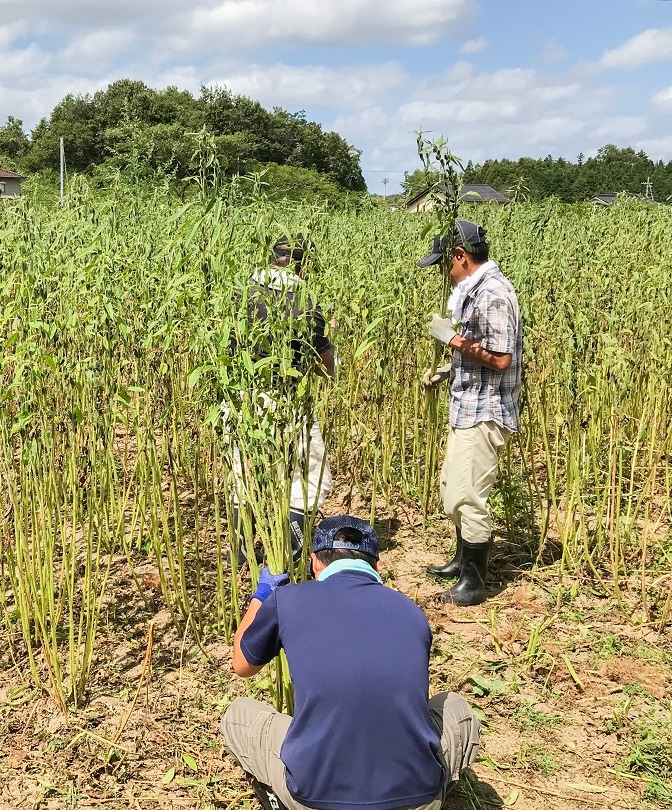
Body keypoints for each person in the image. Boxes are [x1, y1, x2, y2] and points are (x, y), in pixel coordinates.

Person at [221, 515, 481, 810]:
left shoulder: (288, 599)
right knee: (457, 707)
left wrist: (262, 595)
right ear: (377, 565)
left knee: (238, 714)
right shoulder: (410, 611)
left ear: (315, 562)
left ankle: (282, 801)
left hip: (313, 795)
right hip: (417, 799)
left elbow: (242, 665)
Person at [419, 220, 522, 606]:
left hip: (486, 410)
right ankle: (463, 561)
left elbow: (500, 358)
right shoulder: (474, 292)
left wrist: (453, 340)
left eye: (447, 264)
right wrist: (446, 370)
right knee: (451, 488)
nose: (445, 274)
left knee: (466, 496)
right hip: (468, 405)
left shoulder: (494, 294)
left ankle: (475, 580)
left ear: (461, 257)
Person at [225, 234, 335, 568]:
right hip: (288, 399)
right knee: (308, 476)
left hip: (243, 399)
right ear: (302, 265)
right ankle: (290, 554)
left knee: (244, 476)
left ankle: (240, 556)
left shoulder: (238, 294)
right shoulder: (303, 300)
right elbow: (325, 367)